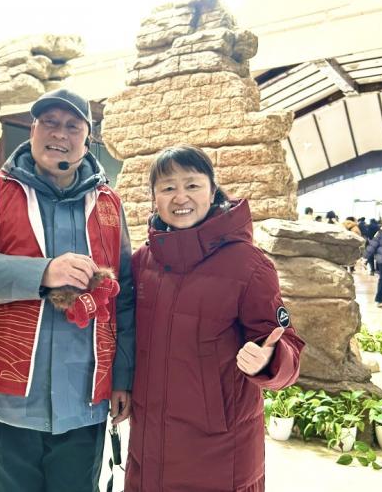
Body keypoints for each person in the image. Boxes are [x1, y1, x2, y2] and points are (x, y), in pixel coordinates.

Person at [0, 89, 135, 492]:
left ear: (88, 139)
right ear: (32, 130)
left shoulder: (108, 205)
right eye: (49, 122)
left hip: (84, 400)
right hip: (6, 403)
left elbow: (125, 297)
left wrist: (122, 377)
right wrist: (44, 272)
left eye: (72, 126)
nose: (59, 133)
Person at [126, 145, 305, 492]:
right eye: (168, 187)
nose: (180, 197)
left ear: (212, 191)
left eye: (192, 185)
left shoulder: (249, 265)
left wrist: (269, 359)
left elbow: (287, 347)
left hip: (220, 456)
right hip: (148, 448)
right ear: (154, 198)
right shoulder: (142, 263)